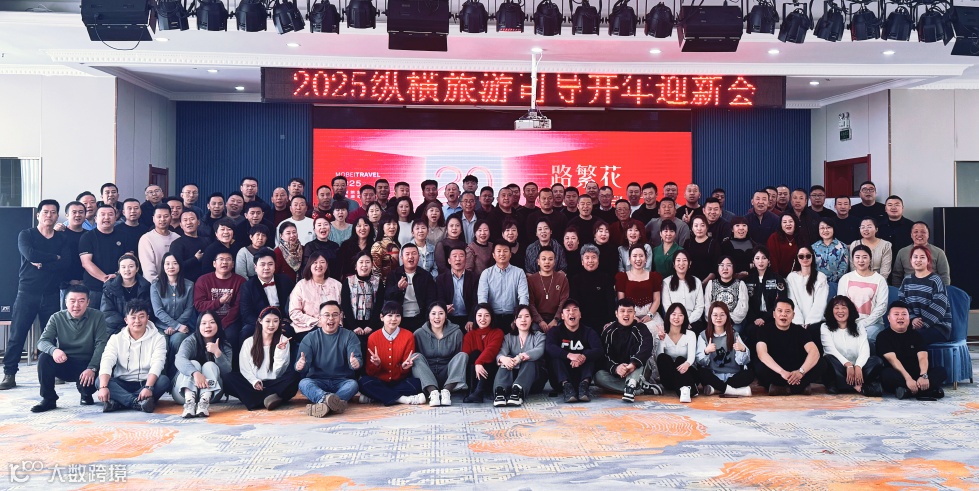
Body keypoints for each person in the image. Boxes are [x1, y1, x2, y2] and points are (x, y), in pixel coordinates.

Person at [1, 199, 68, 391]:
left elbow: (66, 263)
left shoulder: (61, 239)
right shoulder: (26, 234)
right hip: (27, 293)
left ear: (57, 216)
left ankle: (52, 372)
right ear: (38, 215)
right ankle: (9, 374)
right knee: (17, 334)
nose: (49, 215)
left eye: (53, 212)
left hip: (51, 293)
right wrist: (54, 257)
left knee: (51, 336)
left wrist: (44, 263)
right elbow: (30, 254)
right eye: (45, 212)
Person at [30, 285, 108, 412]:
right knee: (44, 358)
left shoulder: (98, 316)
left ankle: (86, 394)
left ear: (88, 302)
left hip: (88, 364)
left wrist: (92, 367)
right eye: (72, 301)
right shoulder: (56, 317)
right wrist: (54, 350)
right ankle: (49, 399)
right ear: (65, 302)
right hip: (66, 361)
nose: (76, 305)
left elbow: (101, 344)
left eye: (81, 301)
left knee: (88, 388)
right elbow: (42, 342)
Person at [97, 299, 170, 413]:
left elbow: (158, 363)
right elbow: (107, 361)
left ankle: (119, 402)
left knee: (163, 381)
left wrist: (148, 387)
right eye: (133, 317)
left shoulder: (158, 338)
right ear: (126, 320)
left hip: (145, 383)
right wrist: (103, 387)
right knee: (99, 381)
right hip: (122, 383)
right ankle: (137, 403)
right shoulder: (116, 338)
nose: (137, 321)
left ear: (147, 318)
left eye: (141, 316)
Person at [295, 301, 361, 417]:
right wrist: (300, 365)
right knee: (304, 383)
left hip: (342, 381)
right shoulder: (310, 338)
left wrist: (356, 363)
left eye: (335, 315)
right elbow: (302, 366)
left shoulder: (349, 336)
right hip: (318, 381)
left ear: (340, 317)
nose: (331, 318)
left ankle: (323, 405)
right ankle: (331, 402)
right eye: (327, 315)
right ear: (320, 318)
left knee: (353, 385)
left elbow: (356, 360)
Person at [357, 301, 427, 406]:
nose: (394, 319)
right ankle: (403, 399)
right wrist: (377, 365)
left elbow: (405, 370)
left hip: (400, 381)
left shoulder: (408, 336)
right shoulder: (373, 337)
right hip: (379, 381)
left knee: (416, 384)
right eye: (389, 315)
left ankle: (376, 397)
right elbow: (370, 372)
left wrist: (403, 368)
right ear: (381, 317)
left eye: (397, 315)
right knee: (363, 382)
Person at [877, 301, 946, 400]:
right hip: (900, 375)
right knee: (886, 374)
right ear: (889, 318)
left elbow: (923, 357)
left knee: (941, 371)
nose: (900, 317)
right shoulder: (883, 336)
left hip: (918, 374)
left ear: (909, 318)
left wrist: (923, 376)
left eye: (904, 314)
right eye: (896, 314)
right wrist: (908, 379)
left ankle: (907, 391)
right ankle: (927, 391)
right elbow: (893, 360)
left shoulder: (917, 335)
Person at [755, 299, 823, 396]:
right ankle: (799, 388)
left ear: (793, 315)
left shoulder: (800, 330)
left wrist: (801, 372)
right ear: (774, 314)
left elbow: (814, 352)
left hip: (797, 371)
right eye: (780, 311)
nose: (783, 314)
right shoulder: (764, 330)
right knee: (759, 366)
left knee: (822, 363)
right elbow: (762, 354)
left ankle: (782, 389)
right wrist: (782, 372)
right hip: (777, 372)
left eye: (787, 311)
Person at [595, 299, 658, 403]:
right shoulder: (609, 332)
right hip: (619, 373)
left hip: (637, 370)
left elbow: (646, 347)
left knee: (640, 360)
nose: (626, 314)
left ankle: (632, 384)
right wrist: (616, 368)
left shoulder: (641, 328)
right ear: (616, 314)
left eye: (629, 311)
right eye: (622, 311)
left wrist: (633, 364)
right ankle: (638, 388)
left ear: (634, 313)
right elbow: (604, 356)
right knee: (598, 377)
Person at [172, 310, 232, 418]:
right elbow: (179, 359)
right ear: (198, 326)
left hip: (212, 395)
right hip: (183, 394)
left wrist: (217, 353)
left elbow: (227, 371)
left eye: (212, 322)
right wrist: (195, 373)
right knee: (194, 363)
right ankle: (189, 404)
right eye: (203, 323)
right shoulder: (190, 341)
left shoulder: (224, 344)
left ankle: (204, 403)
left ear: (218, 325)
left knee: (210, 365)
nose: (208, 326)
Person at [820, 296, 883, 396]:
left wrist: (858, 366)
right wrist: (848, 365)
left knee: (877, 361)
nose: (840, 311)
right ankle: (860, 386)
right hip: (840, 368)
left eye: (844, 307)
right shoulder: (825, 327)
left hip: (859, 369)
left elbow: (864, 349)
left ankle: (844, 385)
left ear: (849, 310)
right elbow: (830, 350)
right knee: (827, 360)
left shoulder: (859, 326)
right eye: (836, 308)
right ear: (831, 311)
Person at [545, 299, 601, 403]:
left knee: (590, 356)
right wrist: (569, 355)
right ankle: (567, 387)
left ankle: (584, 387)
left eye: (575, 310)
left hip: (581, 376)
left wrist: (583, 357)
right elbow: (549, 347)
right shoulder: (555, 331)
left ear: (580, 315)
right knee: (555, 358)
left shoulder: (589, 331)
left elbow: (598, 349)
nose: (571, 312)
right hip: (560, 380)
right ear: (562, 316)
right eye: (568, 310)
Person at [412, 302, 468, 406]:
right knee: (415, 357)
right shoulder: (418, 334)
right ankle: (433, 393)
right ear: (429, 316)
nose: (437, 317)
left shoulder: (456, 333)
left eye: (441, 313)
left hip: (447, 374)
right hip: (427, 375)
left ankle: (446, 392)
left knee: (462, 355)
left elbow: (457, 358)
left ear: (446, 315)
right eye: (433, 313)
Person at [151, 253, 197, 375]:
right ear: (163, 266)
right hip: (161, 327)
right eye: (167, 264)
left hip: (182, 326)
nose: (171, 266)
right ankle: (162, 376)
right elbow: (158, 311)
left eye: (175, 263)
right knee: (162, 343)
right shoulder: (155, 285)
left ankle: (175, 375)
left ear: (180, 266)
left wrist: (177, 327)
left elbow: (189, 309)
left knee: (178, 340)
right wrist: (175, 326)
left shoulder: (189, 285)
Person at [695, 302, 753, 397]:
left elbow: (743, 361)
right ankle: (733, 391)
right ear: (710, 317)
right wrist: (706, 351)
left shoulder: (734, 335)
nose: (719, 318)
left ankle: (717, 389)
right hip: (714, 376)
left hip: (732, 376)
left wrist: (742, 350)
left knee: (749, 374)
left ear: (727, 317)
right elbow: (700, 362)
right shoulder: (703, 335)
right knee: (701, 373)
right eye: (715, 315)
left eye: (722, 315)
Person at [898, 245, 952, 345]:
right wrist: (912, 319)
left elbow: (940, 306)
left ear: (928, 261)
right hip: (913, 324)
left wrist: (922, 322)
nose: (918, 260)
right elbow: (902, 303)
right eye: (915, 257)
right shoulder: (907, 280)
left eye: (922, 257)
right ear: (911, 260)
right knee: (890, 335)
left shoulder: (935, 280)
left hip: (937, 327)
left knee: (911, 339)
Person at [492, 305, 545, 407]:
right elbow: (501, 353)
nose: (523, 320)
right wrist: (503, 359)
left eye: (527, 316)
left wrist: (520, 358)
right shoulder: (508, 338)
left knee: (530, 360)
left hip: (534, 380)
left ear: (532, 319)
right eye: (519, 317)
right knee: (506, 359)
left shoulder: (539, 336)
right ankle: (500, 391)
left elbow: (539, 351)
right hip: (512, 378)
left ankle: (518, 392)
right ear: (515, 320)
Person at [837, 245, 889, 347]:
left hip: (873, 324)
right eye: (857, 257)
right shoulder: (846, 278)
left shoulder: (879, 280)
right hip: (848, 322)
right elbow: (841, 305)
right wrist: (849, 323)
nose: (861, 260)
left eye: (865, 257)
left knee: (865, 339)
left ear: (870, 259)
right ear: (852, 260)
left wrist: (863, 323)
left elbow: (882, 307)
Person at [193, 251, 246, 350]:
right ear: (214, 264)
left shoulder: (240, 281)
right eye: (221, 259)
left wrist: (223, 324)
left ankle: (230, 360)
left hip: (230, 321)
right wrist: (219, 302)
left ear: (233, 264)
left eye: (228, 259)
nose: (224, 262)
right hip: (207, 320)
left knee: (231, 336)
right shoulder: (203, 280)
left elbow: (238, 307)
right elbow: (199, 305)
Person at [239, 248, 295, 340]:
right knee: (246, 332)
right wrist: (265, 324)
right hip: (258, 321)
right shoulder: (247, 286)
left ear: (275, 266)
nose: (266, 268)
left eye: (270, 264)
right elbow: (246, 313)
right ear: (255, 267)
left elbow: (294, 303)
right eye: (262, 264)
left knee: (289, 331)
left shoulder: (285, 280)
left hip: (281, 319)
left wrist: (280, 322)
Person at [79, 204, 129, 308]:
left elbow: (129, 259)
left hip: (119, 285)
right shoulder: (87, 237)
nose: (106, 217)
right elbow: (86, 263)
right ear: (96, 219)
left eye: (110, 214)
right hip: (94, 288)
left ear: (115, 218)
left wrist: (117, 275)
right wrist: (106, 279)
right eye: (102, 214)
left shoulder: (124, 236)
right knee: (93, 317)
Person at [477, 241, 530, 333]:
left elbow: (523, 297)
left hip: (513, 316)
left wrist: (520, 317)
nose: (502, 254)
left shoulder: (519, 273)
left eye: (505, 251)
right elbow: (482, 298)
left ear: (510, 254)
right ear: (493, 255)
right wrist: (486, 318)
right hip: (492, 317)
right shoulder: (486, 273)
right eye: (499, 251)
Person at [289, 251, 343, 341]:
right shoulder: (301, 285)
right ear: (309, 265)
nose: (319, 265)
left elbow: (342, 310)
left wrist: (333, 323)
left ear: (327, 265)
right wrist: (316, 322)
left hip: (334, 328)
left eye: (322, 262)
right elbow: (294, 312)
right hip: (308, 328)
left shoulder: (337, 285)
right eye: (315, 262)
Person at [385, 243, 439, 331]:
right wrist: (398, 288)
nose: (411, 257)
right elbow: (387, 296)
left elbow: (431, 300)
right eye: (407, 254)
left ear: (419, 257)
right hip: (399, 319)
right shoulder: (393, 275)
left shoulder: (426, 276)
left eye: (414, 253)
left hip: (421, 319)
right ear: (401, 258)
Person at [616, 244, 664, 337]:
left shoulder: (654, 277)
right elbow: (621, 301)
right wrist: (633, 317)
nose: (638, 259)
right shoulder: (622, 277)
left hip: (650, 314)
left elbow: (657, 299)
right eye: (634, 256)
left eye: (641, 256)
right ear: (629, 259)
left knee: (657, 334)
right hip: (628, 315)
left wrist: (650, 315)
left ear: (646, 259)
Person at [340, 252, 384, 355]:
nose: (364, 265)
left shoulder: (378, 282)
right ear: (356, 266)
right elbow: (345, 305)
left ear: (372, 265)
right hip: (351, 325)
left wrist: (371, 325)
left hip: (372, 325)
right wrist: (354, 326)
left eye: (367, 262)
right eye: (361, 262)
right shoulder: (348, 281)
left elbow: (379, 305)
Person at [743, 247, 786, 346]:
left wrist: (765, 319)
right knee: (752, 331)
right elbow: (745, 304)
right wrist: (755, 319)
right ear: (753, 261)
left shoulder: (777, 279)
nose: (760, 261)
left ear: (769, 260)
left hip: (773, 318)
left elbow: (781, 302)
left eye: (764, 258)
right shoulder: (747, 280)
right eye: (757, 258)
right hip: (753, 321)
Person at [656, 303, 699, 403]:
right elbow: (659, 358)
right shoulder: (662, 334)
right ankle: (690, 389)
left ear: (684, 317)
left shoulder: (690, 334)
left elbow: (691, 356)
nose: (677, 317)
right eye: (674, 314)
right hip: (669, 379)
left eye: (680, 315)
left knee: (680, 359)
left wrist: (687, 364)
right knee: (663, 357)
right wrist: (661, 340)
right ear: (668, 316)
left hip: (687, 373)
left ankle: (685, 390)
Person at [461, 304, 504, 403]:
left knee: (487, 359)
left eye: (486, 315)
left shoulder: (498, 332)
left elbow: (491, 350)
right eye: (479, 315)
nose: (483, 319)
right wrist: (476, 363)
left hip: (490, 373)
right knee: (474, 354)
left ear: (491, 317)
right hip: (473, 376)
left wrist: (479, 363)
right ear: (475, 317)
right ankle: (472, 390)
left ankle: (479, 391)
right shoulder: (469, 335)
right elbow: (465, 357)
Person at [568, 244, 617, 333]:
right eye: (587, 258)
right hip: (581, 323)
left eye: (593, 257)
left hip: (603, 323)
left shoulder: (606, 278)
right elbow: (573, 303)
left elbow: (611, 303)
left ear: (598, 260)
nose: (590, 261)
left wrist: (610, 322)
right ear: (582, 261)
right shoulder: (576, 279)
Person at [101, 254, 152, 336]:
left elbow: (149, 309)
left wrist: (135, 324)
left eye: (131, 266)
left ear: (137, 269)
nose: (127, 270)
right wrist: (122, 327)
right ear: (119, 270)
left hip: (141, 326)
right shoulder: (109, 287)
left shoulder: (145, 287)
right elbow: (107, 312)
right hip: (116, 328)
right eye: (123, 267)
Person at [787, 245, 829, 341]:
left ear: (812, 257)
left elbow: (820, 303)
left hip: (815, 322)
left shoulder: (821, 277)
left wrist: (809, 322)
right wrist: (799, 322)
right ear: (797, 258)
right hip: (795, 321)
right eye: (801, 256)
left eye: (808, 256)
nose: (805, 258)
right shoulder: (791, 277)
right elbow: (792, 301)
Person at [890, 222, 951, 287]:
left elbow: (944, 275)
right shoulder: (902, 252)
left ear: (928, 235)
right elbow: (896, 275)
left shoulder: (939, 252)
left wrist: (944, 290)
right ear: (911, 235)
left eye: (923, 232)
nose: (919, 234)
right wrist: (898, 290)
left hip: (932, 288)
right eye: (916, 232)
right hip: (908, 289)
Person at [662, 250, 706, 333]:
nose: (681, 263)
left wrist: (688, 321)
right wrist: (678, 320)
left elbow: (700, 307)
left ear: (689, 263)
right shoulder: (667, 282)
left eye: (685, 260)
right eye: (678, 260)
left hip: (693, 322)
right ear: (674, 264)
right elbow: (667, 306)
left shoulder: (697, 282)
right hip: (673, 322)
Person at [527, 247, 569, 333]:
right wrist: (540, 321)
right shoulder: (531, 280)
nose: (547, 262)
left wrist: (556, 319)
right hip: (537, 319)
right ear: (538, 261)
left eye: (550, 259)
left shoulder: (562, 278)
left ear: (554, 262)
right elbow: (530, 303)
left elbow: (564, 301)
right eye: (544, 259)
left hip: (557, 318)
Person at [703, 256, 750, 334]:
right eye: (722, 265)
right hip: (715, 321)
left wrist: (727, 321)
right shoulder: (711, 284)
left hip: (734, 322)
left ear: (733, 268)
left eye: (729, 265)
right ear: (718, 268)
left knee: (732, 333)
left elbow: (743, 308)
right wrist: (717, 320)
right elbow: (707, 306)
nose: (725, 268)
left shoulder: (740, 284)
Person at [436, 246, 477, 330]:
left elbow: (476, 301)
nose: (458, 259)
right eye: (454, 256)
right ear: (449, 261)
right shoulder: (441, 279)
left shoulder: (474, 278)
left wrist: (471, 319)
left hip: (468, 319)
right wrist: (444, 307)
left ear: (466, 260)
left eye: (461, 256)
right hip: (448, 319)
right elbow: (439, 298)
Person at [812, 217, 849, 284]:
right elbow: (811, 267)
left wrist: (830, 281)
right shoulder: (813, 247)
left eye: (828, 227)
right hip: (817, 283)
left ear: (833, 229)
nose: (825, 230)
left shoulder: (842, 247)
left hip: (836, 284)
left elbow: (843, 269)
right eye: (822, 228)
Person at [683, 216, 720, 282]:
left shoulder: (714, 244)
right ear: (692, 228)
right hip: (690, 281)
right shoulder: (687, 243)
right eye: (696, 226)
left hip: (708, 282)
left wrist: (703, 284)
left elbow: (715, 268)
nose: (699, 228)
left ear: (707, 227)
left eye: (702, 225)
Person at [879, 195, 914, 261]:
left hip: (906, 261)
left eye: (897, 205)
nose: (893, 207)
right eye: (890, 205)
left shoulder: (912, 226)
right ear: (885, 209)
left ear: (902, 208)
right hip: (883, 262)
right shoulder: (878, 226)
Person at [371, 214, 402, 280]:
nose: (392, 227)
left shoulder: (397, 244)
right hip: (385, 283)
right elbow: (376, 272)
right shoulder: (378, 245)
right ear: (382, 227)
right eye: (388, 224)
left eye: (394, 224)